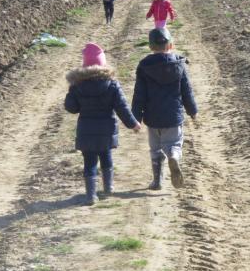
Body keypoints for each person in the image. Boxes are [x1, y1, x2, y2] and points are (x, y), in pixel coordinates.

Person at [65, 43, 140, 205]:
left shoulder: (77, 85)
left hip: (86, 131)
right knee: (106, 157)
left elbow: (71, 108)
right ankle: (108, 187)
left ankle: (91, 195)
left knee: (89, 162)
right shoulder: (112, 84)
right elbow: (122, 107)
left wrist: (72, 92)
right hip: (106, 130)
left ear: (85, 64)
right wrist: (133, 124)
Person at [131, 28, 198, 191]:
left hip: (152, 117)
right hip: (173, 117)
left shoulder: (144, 66)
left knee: (155, 149)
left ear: (150, 47)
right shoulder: (179, 65)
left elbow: (139, 94)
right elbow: (186, 91)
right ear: (171, 45)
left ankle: (157, 181)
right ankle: (174, 156)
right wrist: (192, 110)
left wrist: (135, 118)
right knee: (174, 143)